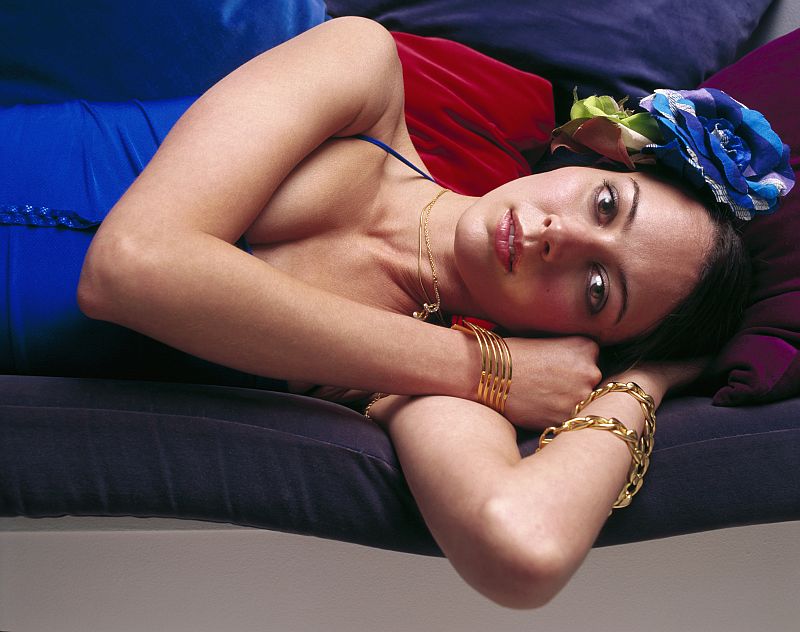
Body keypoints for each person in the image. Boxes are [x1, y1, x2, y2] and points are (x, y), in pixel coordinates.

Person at [2, 17, 793, 607]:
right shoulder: (363, 71)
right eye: (607, 205)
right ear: (600, 157)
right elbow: (132, 266)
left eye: (597, 288)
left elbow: (522, 547)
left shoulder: (433, 376)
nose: (564, 238)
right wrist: (486, 369)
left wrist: (647, 380)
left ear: (580, 338)